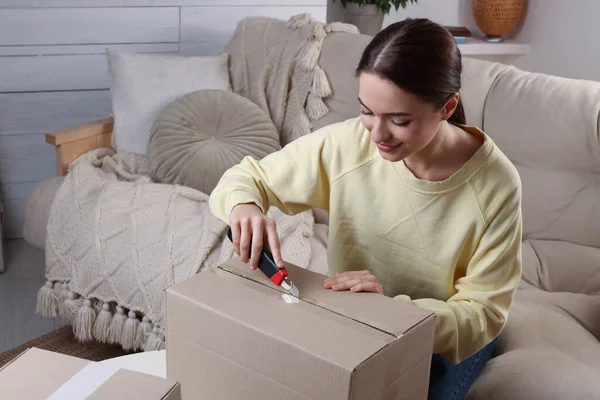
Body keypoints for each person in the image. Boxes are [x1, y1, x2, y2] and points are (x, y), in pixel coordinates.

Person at [209, 18, 522, 400]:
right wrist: (243, 207)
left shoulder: (496, 185)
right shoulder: (350, 144)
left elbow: (483, 314)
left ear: (447, 106)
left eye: (400, 120)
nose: (377, 135)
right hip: (352, 322)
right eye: (366, 111)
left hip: (440, 338)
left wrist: (389, 311)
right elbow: (247, 177)